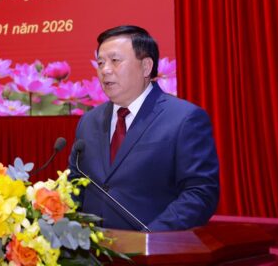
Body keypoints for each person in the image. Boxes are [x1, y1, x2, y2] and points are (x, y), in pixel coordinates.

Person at [68, 25, 219, 231]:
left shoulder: (184, 119)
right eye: (101, 62)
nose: (105, 70)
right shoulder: (88, 122)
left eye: (115, 60)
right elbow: (76, 182)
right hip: (91, 247)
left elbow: (200, 193)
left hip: (154, 246)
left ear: (146, 67)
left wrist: (150, 238)